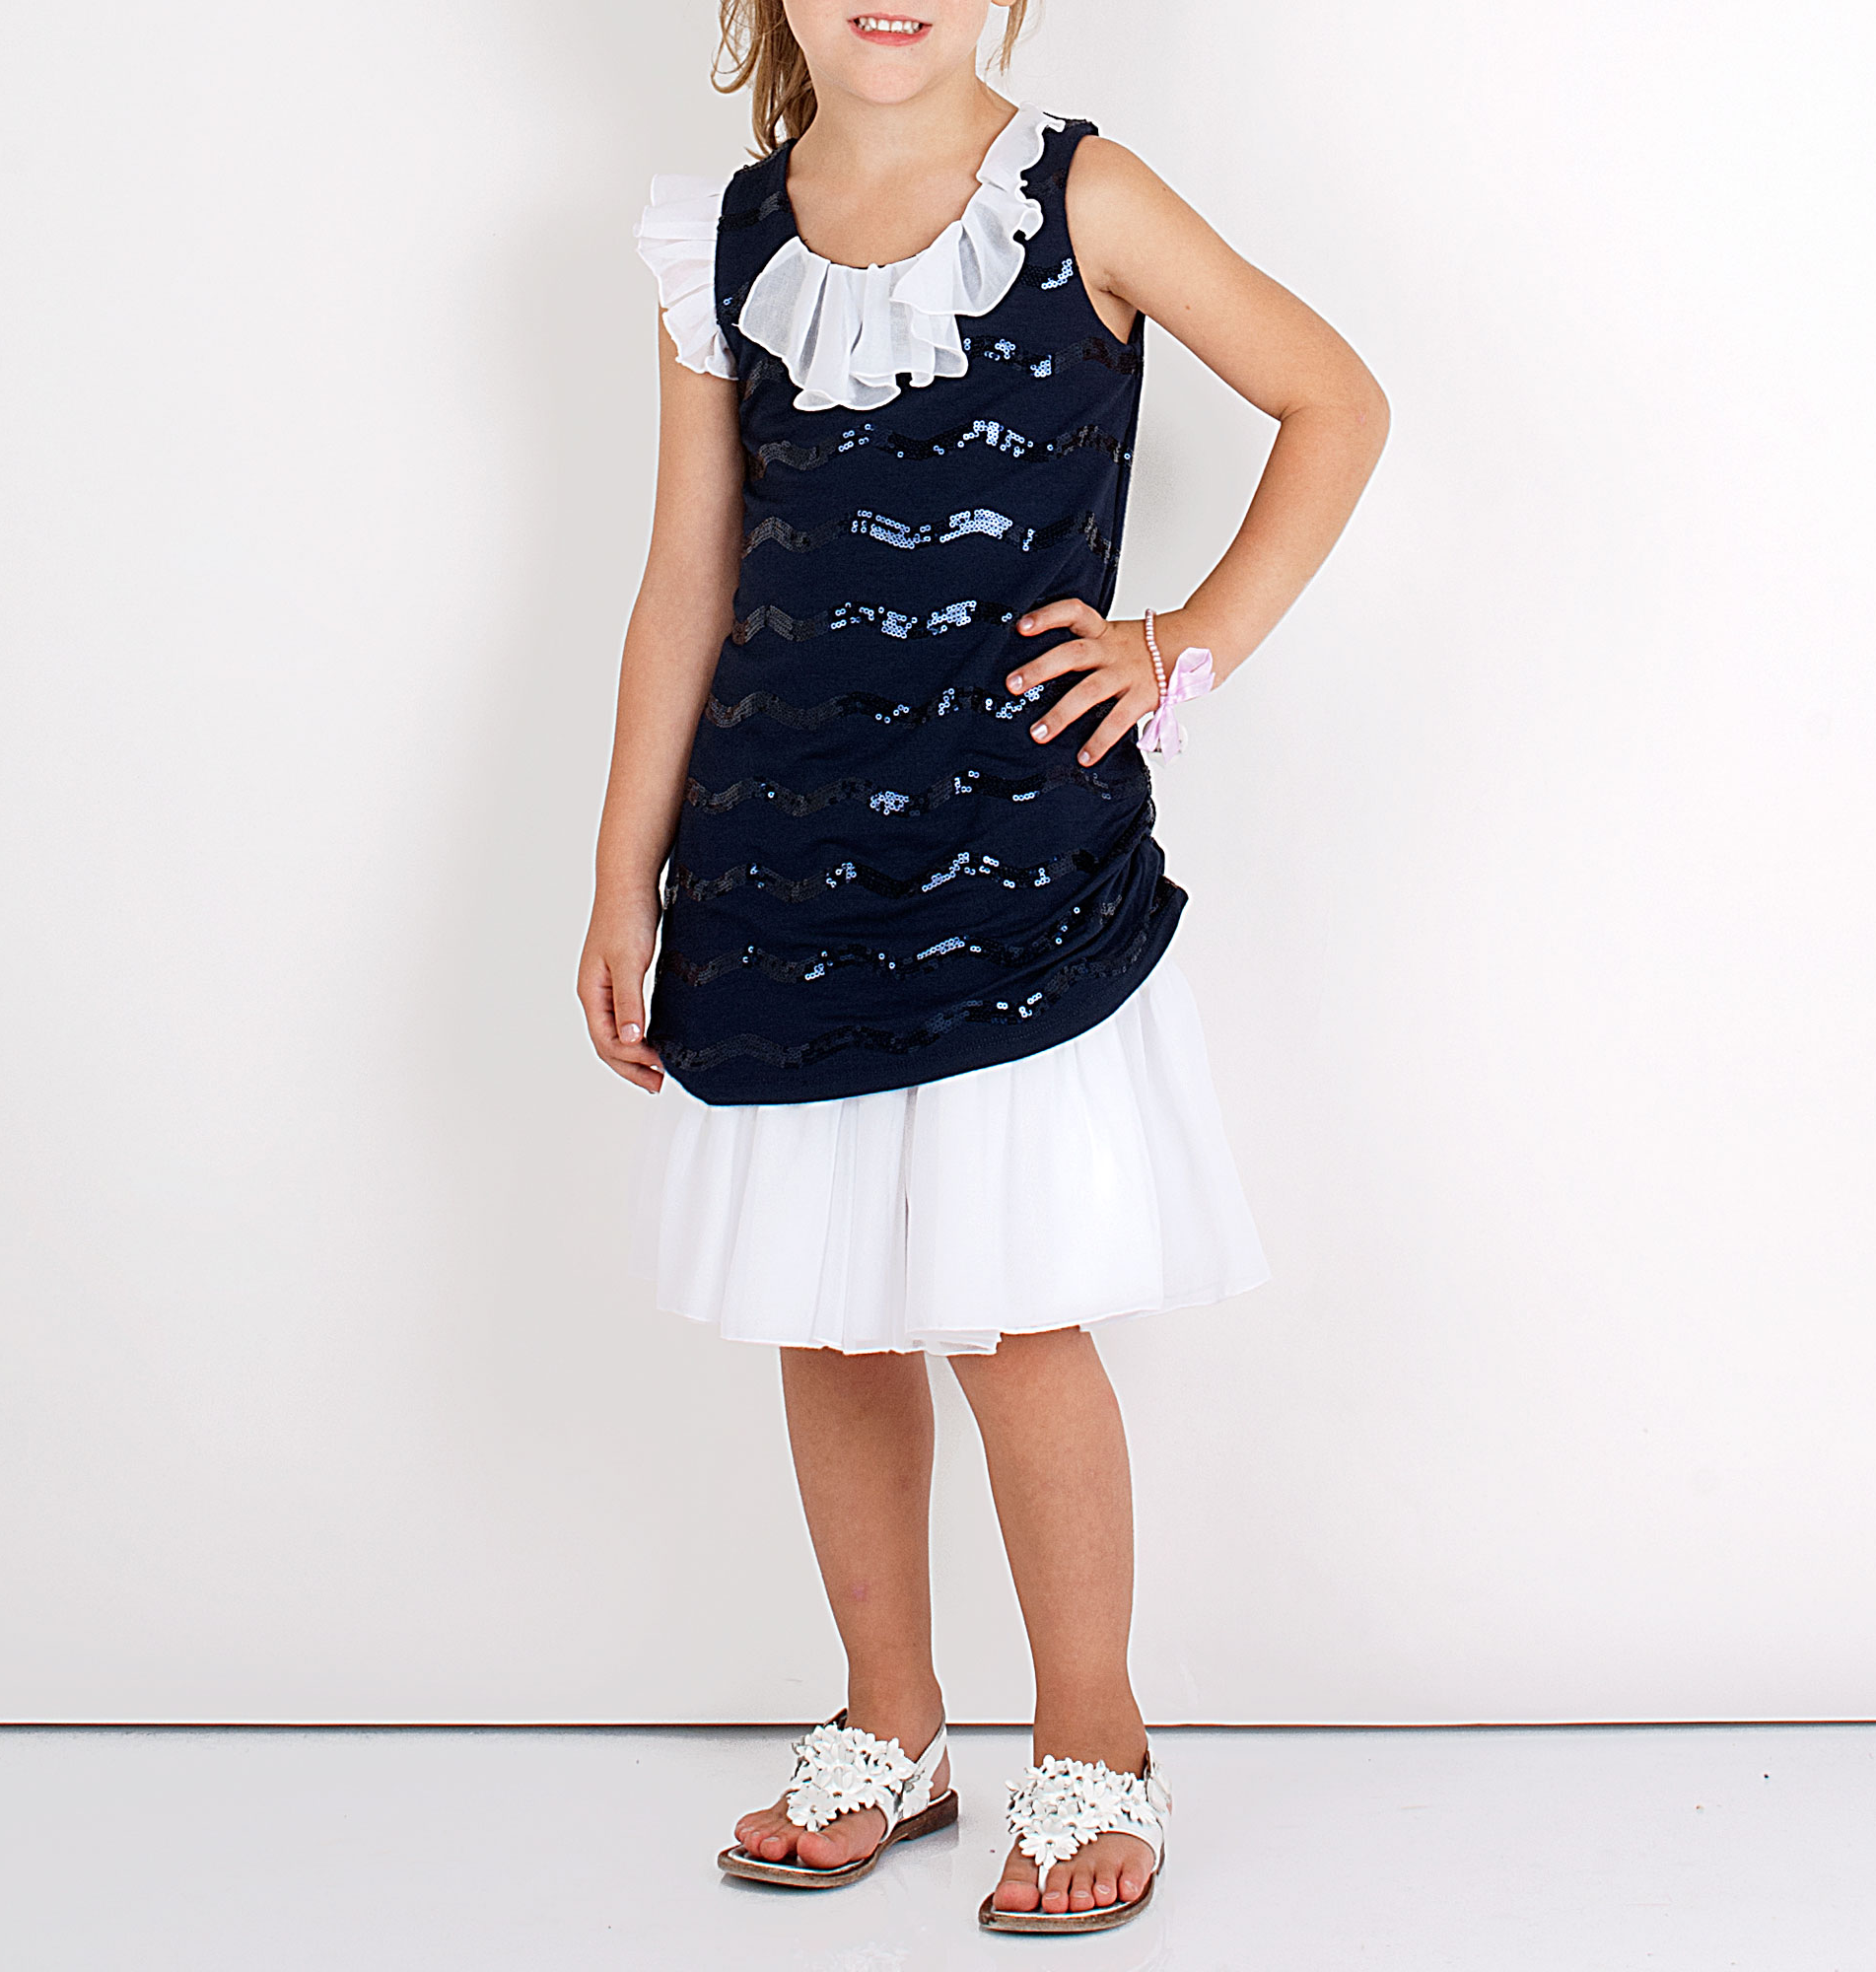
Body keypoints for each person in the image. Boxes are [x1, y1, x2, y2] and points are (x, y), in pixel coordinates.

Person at [579, 0, 1387, 1935]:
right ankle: (895, 1720)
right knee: (829, 1316)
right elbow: (690, 571)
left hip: (1014, 871)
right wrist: (622, 873)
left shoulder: (1084, 193)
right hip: (775, 865)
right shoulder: (720, 242)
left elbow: (1334, 401)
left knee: (1015, 1315)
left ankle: (1093, 1737)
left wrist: (1181, 639)